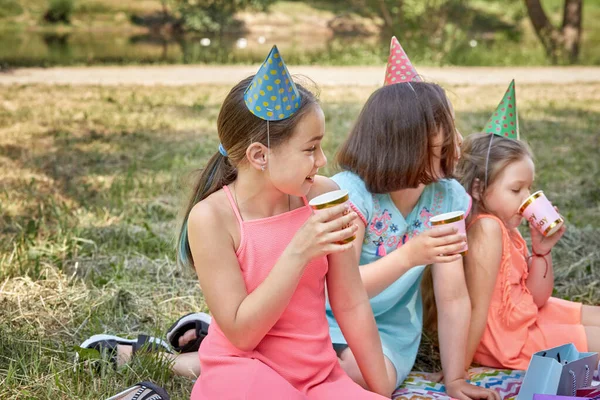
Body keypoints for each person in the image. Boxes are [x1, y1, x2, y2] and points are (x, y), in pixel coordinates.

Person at [182, 46, 389, 399]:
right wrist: (298, 252)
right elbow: (242, 333)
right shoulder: (212, 218)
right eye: (310, 149)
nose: (322, 160)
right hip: (243, 372)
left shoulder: (325, 195)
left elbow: (351, 303)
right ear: (259, 155)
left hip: (318, 377)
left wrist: (382, 391)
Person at [324, 37, 500, 400]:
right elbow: (342, 289)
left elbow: (452, 298)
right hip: (321, 318)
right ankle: (213, 356)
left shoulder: (446, 198)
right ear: (406, 140)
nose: (458, 137)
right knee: (304, 363)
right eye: (445, 127)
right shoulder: (352, 195)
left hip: (388, 330)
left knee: (372, 380)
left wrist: (455, 379)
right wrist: (408, 255)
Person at [455, 80, 600, 371]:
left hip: (524, 316)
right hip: (507, 339)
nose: (527, 198)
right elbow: (478, 308)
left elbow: (536, 297)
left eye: (530, 188)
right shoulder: (487, 230)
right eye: (516, 189)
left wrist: (542, 251)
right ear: (478, 189)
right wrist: (458, 371)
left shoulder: (506, 227)